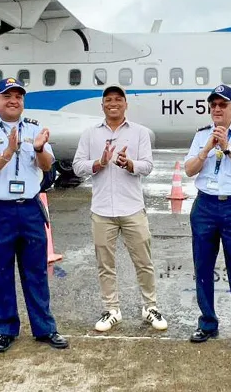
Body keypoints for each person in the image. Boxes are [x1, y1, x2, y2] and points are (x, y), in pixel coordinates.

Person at [0, 77, 68, 353]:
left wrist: (38, 148)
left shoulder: (35, 128)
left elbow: (47, 166)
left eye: (18, 96)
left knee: (36, 272)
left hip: (29, 209)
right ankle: (5, 329)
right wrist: (8, 152)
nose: (13, 101)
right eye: (7, 96)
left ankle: (45, 328)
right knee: (0, 272)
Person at [73, 85, 168, 333]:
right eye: (108, 100)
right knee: (105, 263)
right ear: (102, 105)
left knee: (144, 261)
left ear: (126, 104)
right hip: (102, 210)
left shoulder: (139, 133)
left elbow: (148, 166)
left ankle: (150, 307)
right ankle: (112, 309)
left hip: (132, 208)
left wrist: (130, 164)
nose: (113, 103)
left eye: (118, 99)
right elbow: (77, 166)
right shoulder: (90, 134)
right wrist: (99, 163)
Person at [183, 84, 231, 350]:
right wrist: (207, 148)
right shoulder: (201, 134)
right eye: (213, 105)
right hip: (205, 205)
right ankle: (207, 323)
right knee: (203, 267)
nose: (217, 109)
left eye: (222, 105)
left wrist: (227, 147)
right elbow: (189, 170)